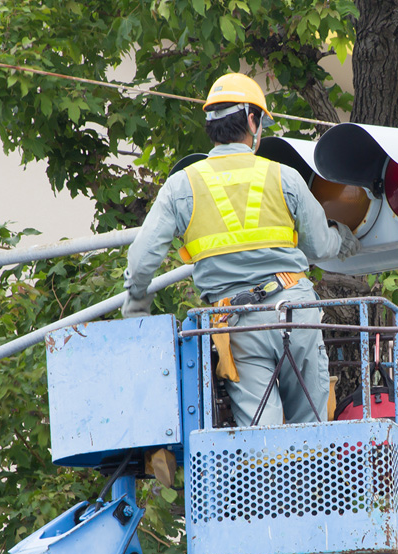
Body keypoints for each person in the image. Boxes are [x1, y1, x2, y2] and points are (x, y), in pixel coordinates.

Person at [122, 73, 361, 426]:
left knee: (262, 438)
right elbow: (321, 246)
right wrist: (345, 239)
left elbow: (142, 258)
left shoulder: (181, 186)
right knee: (312, 429)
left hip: (237, 324)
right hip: (296, 310)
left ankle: (268, 476)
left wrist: (137, 303)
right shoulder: (283, 176)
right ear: (252, 119)